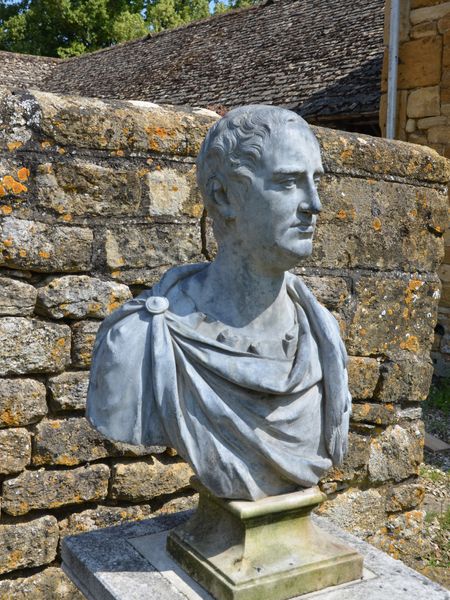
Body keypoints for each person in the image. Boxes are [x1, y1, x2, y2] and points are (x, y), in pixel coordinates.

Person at [86, 105, 351, 501]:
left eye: (315, 181)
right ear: (223, 195)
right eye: (288, 182)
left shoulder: (322, 335)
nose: (314, 204)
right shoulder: (139, 340)